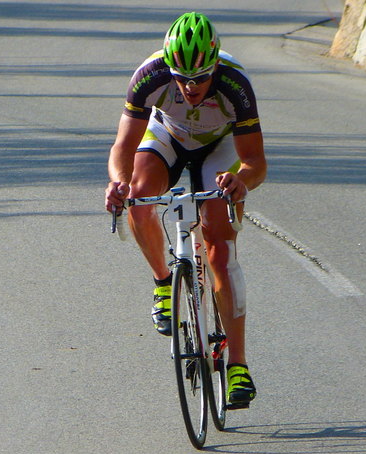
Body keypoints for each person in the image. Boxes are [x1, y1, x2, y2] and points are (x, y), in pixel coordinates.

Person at [105, 12, 266, 406]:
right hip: (167, 136)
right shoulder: (150, 76)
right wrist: (117, 183)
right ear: (169, 68)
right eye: (181, 78)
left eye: (199, 78)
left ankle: (238, 366)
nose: (190, 87)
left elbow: (256, 162)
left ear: (214, 67)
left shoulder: (234, 84)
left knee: (220, 249)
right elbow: (122, 149)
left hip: (219, 147)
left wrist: (241, 181)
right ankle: (164, 281)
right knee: (139, 198)